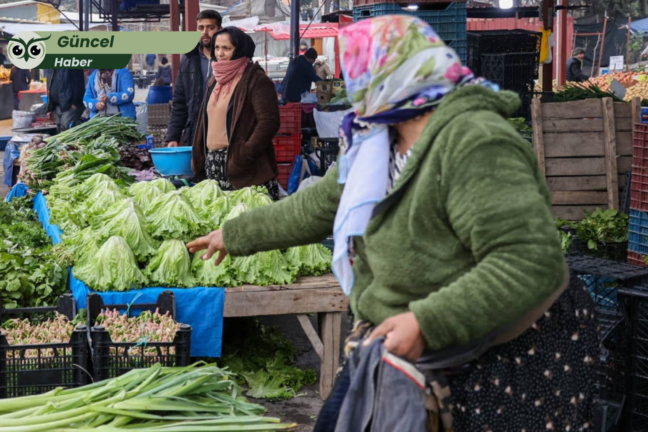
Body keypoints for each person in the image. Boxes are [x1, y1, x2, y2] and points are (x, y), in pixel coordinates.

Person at [189, 15, 597, 432]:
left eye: (362, 73)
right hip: (393, 340)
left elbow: (528, 261)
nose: (354, 88)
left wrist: (425, 321)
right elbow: (319, 206)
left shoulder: (475, 141)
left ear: (397, 74)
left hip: (489, 357)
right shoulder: (378, 135)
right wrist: (235, 235)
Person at [191, 27, 281, 200]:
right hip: (214, 165)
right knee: (220, 221)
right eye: (217, 48)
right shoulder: (215, 80)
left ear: (239, 50)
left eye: (227, 48)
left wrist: (244, 154)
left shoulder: (256, 80)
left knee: (248, 223)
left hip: (245, 169)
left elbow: (269, 122)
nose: (220, 53)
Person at [167, 10, 222, 148]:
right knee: (197, 169)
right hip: (195, 131)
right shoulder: (189, 59)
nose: (205, 32)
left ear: (219, 30)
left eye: (210, 27)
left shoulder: (227, 59)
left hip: (223, 132)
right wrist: (173, 136)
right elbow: (180, 101)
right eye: (201, 28)